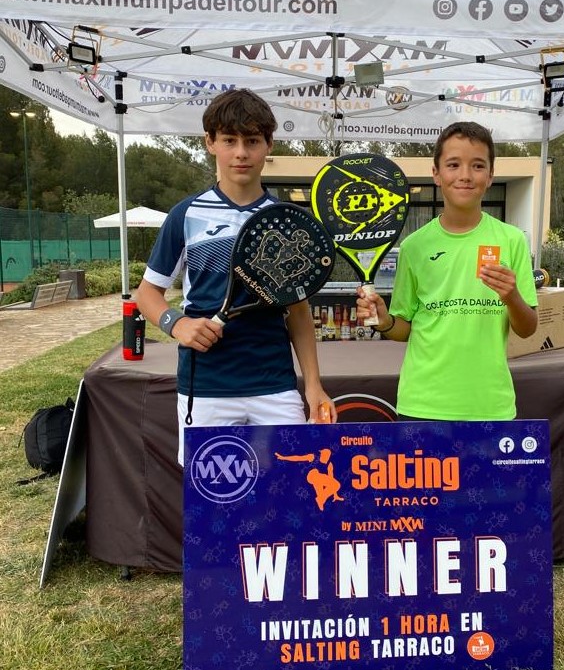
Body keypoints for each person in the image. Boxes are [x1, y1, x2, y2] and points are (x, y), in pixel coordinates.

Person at [136, 88, 335, 466]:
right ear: (211, 143)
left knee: (286, 498)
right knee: (215, 510)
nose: (241, 152)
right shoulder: (186, 214)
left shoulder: (285, 219)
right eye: (229, 140)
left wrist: (313, 385)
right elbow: (147, 293)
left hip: (275, 385)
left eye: (252, 141)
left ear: (268, 145)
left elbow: (298, 312)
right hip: (207, 386)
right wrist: (177, 325)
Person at [356, 122, 538, 422]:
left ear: (491, 175)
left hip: (489, 406)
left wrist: (512, 297)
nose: (465, 175)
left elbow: (527, 327)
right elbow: (405, 328)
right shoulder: (414, 246)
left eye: (477, 165)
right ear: (436, 174)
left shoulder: (512, 240)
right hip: (422, 405)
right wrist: (385, 320)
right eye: (453, 165)